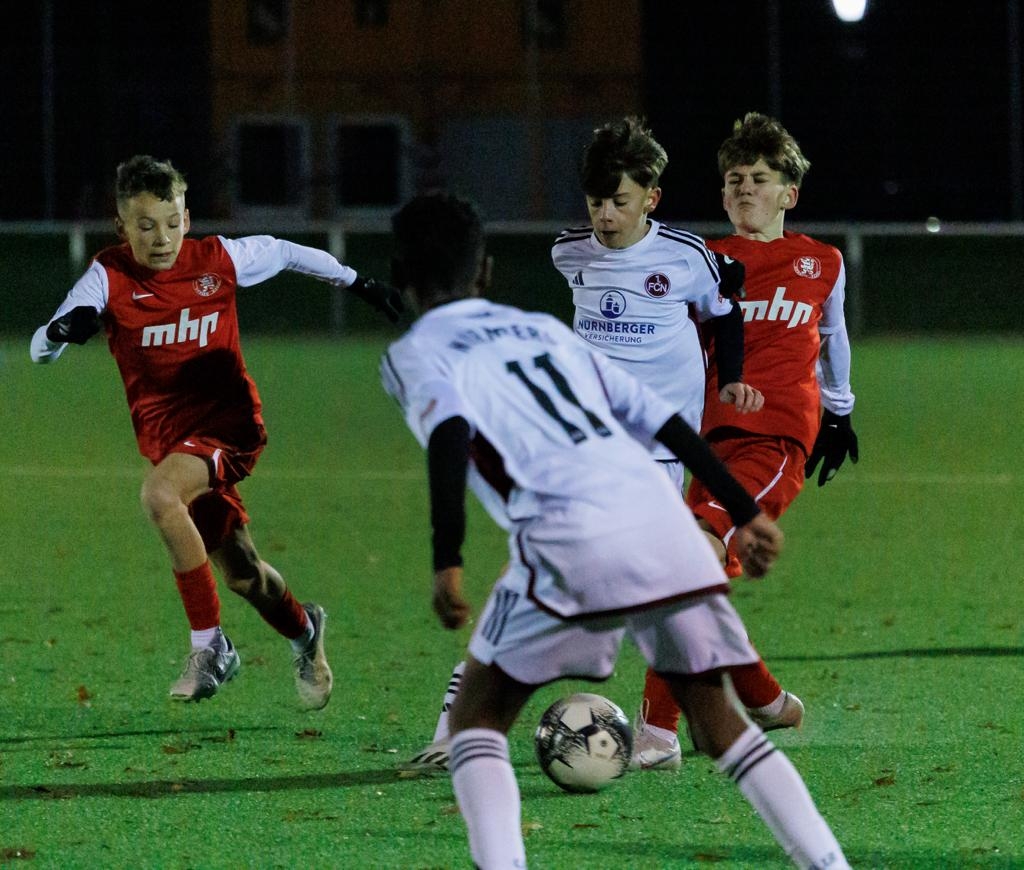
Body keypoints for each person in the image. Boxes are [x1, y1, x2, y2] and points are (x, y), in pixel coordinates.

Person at [381, 190, 850, 870]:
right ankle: (829, 863)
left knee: (476, 718)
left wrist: (446, 561)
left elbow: (451, 435)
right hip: (661, 520)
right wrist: (743, 511)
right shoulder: (543, 332)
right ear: (484, 270)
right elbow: (662, 420)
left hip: (567, 537)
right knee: (721, 726)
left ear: (399, 275)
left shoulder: (413, 355)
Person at [400, 115, 786, 772]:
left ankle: (690, 723)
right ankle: (459, 727)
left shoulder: (686, 257)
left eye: (620, 202)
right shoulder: (569, 252)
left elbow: (725, 313)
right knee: (549, 580)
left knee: (654, 589)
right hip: (581, 452)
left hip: (659, 455)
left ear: (651, 199)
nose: (606, 215)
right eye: (596, 202)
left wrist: (733, 377)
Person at [30, 155, 403, 706]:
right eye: (146, 225)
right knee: (244, 575)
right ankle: (306, 631)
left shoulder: (217, 259)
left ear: (187, 217)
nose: (162, 238)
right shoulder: (107, 277)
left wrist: (357, 281)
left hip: (229, 427)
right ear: (121, 225)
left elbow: (283, 251)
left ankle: (210, 646)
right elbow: (39, 350)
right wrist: (62, 330)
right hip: (174, 447)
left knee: (159, 495)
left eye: (172, 222)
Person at [634, 112, 859, 766]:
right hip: (706, 441)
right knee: (689, 574)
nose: (744, 189)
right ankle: (762, 697)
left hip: (776, 439)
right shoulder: (703, 260)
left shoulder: (822, 261)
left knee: (688, 559)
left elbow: (833, 336)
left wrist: (839, 411)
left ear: (790, 193)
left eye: (759, 179)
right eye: (734, 179)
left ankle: (657, 732)